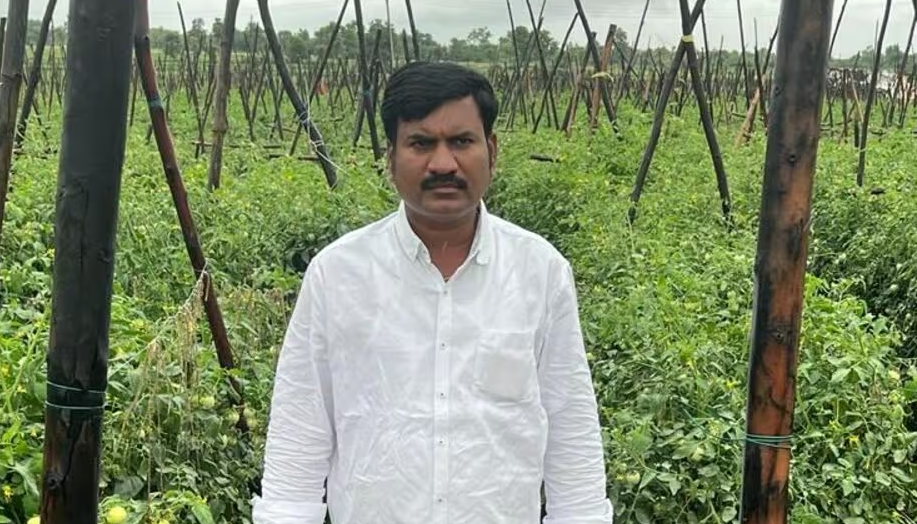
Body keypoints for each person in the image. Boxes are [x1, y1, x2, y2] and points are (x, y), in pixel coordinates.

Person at [252, 61, 613, 524]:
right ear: (391, 157)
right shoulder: (338, 274)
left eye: (462, 141)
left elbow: (569, 429)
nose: (443, 163)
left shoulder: (539, 272)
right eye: (421, 143)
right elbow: (299, 430)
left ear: (492, 150)